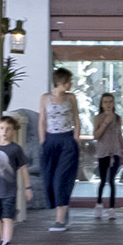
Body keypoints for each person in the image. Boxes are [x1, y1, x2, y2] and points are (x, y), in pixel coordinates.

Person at [38, 67, 83, 232]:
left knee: (62, 179)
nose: (71, 83)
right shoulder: (45, 98)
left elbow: (76, 118)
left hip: (67, 140)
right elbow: (42, 120)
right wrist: (43, 140)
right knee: (49, 179)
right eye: (69, 81)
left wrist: (75, 139)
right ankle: (63, 208)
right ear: (60, 82)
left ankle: (59, 220)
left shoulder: (71, 98)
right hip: (51, 140)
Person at [0, 115, 29, 245]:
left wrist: (28, 187)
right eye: (2, 128)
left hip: (9, 190)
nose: (4, 132)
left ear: (12, 132)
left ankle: (6, 243)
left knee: (7, 218)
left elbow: (23, 168)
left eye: (8, 129)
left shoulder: (15, 148)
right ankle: (2, 241)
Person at [90, 92, 123, 213]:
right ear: (101, 104)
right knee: (103, 179)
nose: (108, 104)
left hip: (115, 152)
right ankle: (99, 203)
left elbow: (120, 135)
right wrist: (106, 121)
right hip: (103, 152)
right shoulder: (98, 118)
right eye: (105, 102)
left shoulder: (117, 118)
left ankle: (111, 207)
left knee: (111, 180)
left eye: (110, 102)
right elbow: (96, 135)